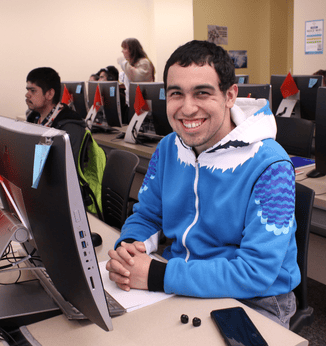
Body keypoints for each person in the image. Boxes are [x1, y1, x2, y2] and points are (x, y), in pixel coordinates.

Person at [106, 40, 300, 328]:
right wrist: (130, 250)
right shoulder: (169, 147)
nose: (187, 108)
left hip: (254, 298)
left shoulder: (271, 165)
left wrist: (157, 275)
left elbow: (256, 272)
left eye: (202, 93)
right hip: (179, 277)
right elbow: (147, 215)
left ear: (230, 95)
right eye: (176, 94)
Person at [25, 67, 86, 164]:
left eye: (33, 90)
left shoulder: (69, 128)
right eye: (27, 90)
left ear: (49, 94)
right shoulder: (33, 119)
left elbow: (66, 171)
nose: (27, 95)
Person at [117, 38, 155, 107]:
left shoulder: (144, 62)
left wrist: (124, 63)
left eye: (125, 48)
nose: (122, 51)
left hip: (143, 105)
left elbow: (136, 77)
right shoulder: (130, 64)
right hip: (131, 102)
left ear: (132, 50)